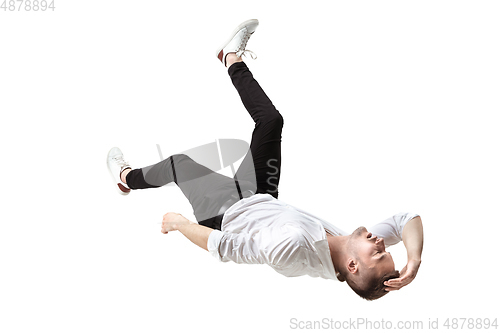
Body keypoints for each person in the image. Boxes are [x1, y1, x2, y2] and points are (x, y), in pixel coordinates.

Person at [106, 19, 424, 301]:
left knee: (179, 164)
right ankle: (230, 57)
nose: (382, 242)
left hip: (224, 214)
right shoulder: (347, 245)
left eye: (379, 252)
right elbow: (404, 219)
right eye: (387, 248)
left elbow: (225, 247)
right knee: (271, 121)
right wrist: (413, 261)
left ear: (353, 266)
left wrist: (181, 225)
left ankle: (126, 177)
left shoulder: (293, 250)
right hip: (261, 197)